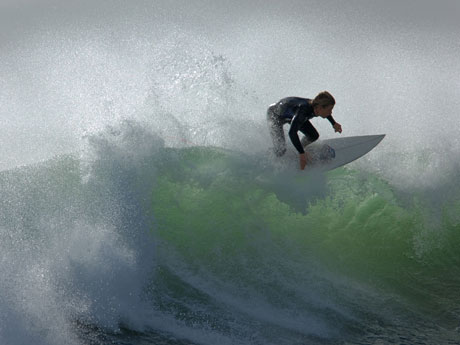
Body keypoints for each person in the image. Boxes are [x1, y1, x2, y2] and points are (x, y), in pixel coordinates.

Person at [266, 91, 342, 170]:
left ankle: (298, 150)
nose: (330, 112)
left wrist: (334, 123)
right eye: (329, 109)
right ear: (319, 108)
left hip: (290, 115)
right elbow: (292, 132)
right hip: (274, 116)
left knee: (313, 135)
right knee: (281, 150)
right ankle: (270, 156)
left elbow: (326, 113)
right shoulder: (303, 111)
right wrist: (302, 154)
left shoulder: (316, 105)